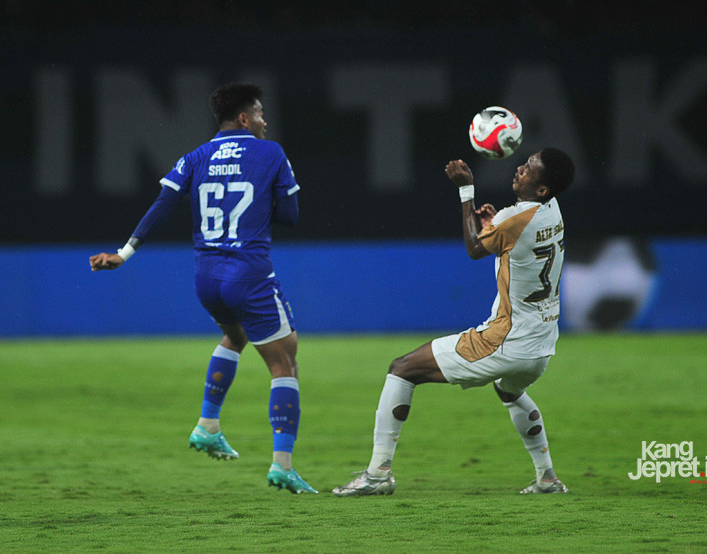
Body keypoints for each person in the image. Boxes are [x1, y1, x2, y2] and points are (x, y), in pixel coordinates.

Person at [89, 82, 317, 494]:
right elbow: (291, 215)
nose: (265, 121)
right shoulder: (271, 153)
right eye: (261, 114)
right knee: (285, 363)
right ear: (245, 118)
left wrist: (123, 253)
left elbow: (162, 205)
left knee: (235, 335)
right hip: (249, 275)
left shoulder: (196, 156)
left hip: (207, 277)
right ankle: (282, 464)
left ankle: (207, 424)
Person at [333, 148, 575, 497]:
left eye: (528, 169)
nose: (519, 169)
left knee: (401, 369)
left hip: (506, 340)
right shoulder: (552, 210)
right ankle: (547, 478)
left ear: (542, 189)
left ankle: (377, 474)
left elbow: (476, 248)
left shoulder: (515, 218)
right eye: (524, 163)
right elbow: (509, 233)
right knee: (509, 390)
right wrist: (495, 223)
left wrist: (466, 191)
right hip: (542, 344)